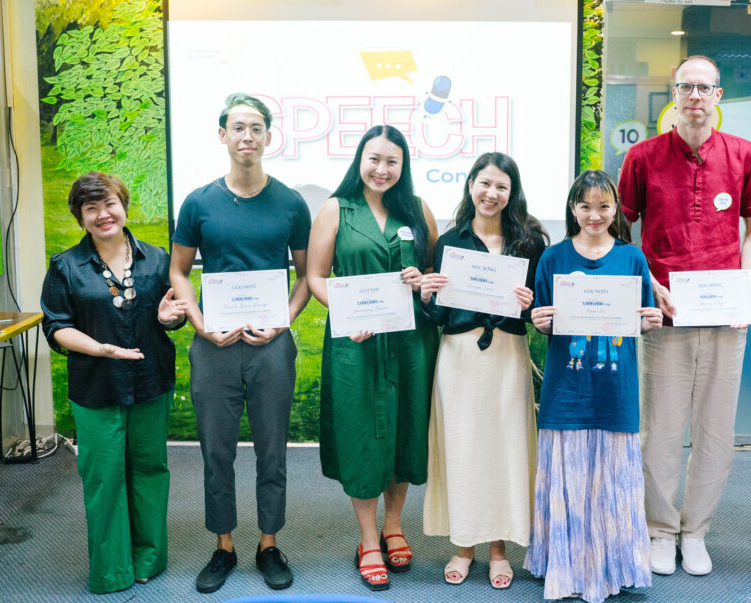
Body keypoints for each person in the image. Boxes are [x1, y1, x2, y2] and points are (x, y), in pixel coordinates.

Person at [617, 55, 751, 576]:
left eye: (705, 88)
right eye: (687, 88)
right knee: (659, 429)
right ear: (674, 95)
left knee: (715, 430)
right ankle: (659, 529)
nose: (696, 97)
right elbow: (622, 233)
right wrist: (647, 284)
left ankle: (695, 530)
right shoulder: (642, 157)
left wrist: (748, 284)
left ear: (718, 96)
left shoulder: (744, 154)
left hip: (726, 316)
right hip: (666, 315)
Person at [170, 93, 312, 593]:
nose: (247, 137)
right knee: (217, 450)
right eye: (238, 128)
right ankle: (224, 547)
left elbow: (305, 275)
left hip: (271, 345)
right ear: (223, 135)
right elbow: (178, 271)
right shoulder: (198, 202)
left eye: (256, 128)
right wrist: (199, 321)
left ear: (268, 137)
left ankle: (268, 543)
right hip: (215, 345)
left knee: (273, 449)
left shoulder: (291, 203)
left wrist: (283, 322)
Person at [306, 124, 439, 592]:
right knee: (362, 436)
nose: (382, 169)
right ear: (359, 160)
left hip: (409, 343)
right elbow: (316, 275)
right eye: (374, 159)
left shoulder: (418, 210)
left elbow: (434, 274)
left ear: (403, 167)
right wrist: (343, 310)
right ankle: (367, 538)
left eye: (392, 161)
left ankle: (394, 524)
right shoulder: (334, 210)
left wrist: (422, 278)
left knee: (404, 432)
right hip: (356, 343)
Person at [41, 172, 187, 594]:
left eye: (109, 204)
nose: (103, 215)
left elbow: (173, 313)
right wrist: (99, 348)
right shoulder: (65, 266)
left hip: (150, 381)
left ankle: (148, 559)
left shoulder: (158, 259)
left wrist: (167, 318)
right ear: (80, 217)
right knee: (104, 477)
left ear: (123, 205)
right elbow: (56, 327)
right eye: (91, 208)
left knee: (149, 470)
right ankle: (111, 570)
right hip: (96, 386)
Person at [524, 170, 664, 603]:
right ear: (572, 210)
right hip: (566, 389)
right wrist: (539, 320)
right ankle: (562, 564)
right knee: (568, 476)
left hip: (615, 389)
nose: (594, 215)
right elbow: (544, 320)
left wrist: (650, 321)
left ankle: (614, 564)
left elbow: (641, 316)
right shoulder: (552, 258)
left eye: (603, 206)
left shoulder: (632, 258)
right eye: (585, 206)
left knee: (613, 478)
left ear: (616, 209)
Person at [418, 153, 548, 590]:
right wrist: (429, 295)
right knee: (462, 447)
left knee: (505, 448)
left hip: (507, 356)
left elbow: (541, 314)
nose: (491, 194)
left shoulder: (529, 241)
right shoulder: (450, 240)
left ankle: (498, 549)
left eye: (502, 187)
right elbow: (439, 315)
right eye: (485, 183)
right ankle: (464, 545)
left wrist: (531, 306)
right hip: (457, 358)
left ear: (513, 193)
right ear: (470, 184)